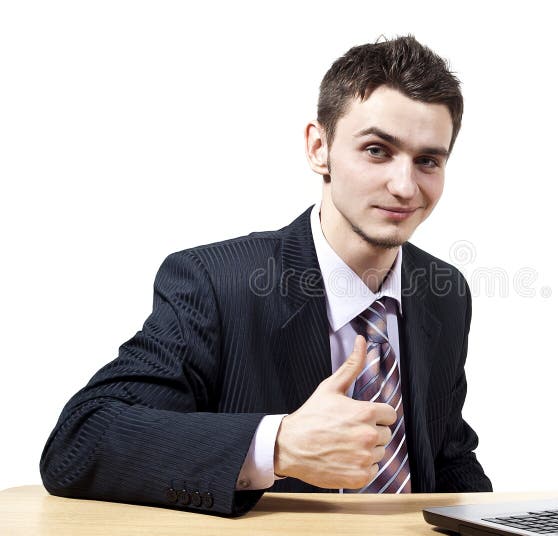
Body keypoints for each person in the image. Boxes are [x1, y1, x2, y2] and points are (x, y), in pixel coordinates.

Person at [40, 35, 491, 516]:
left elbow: (447, 456)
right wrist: (277, 445)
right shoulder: (215, 283)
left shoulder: (444, 291)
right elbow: (80, 440)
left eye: (428, 161)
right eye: (378, 150)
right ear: (320, 148)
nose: (405, 186)